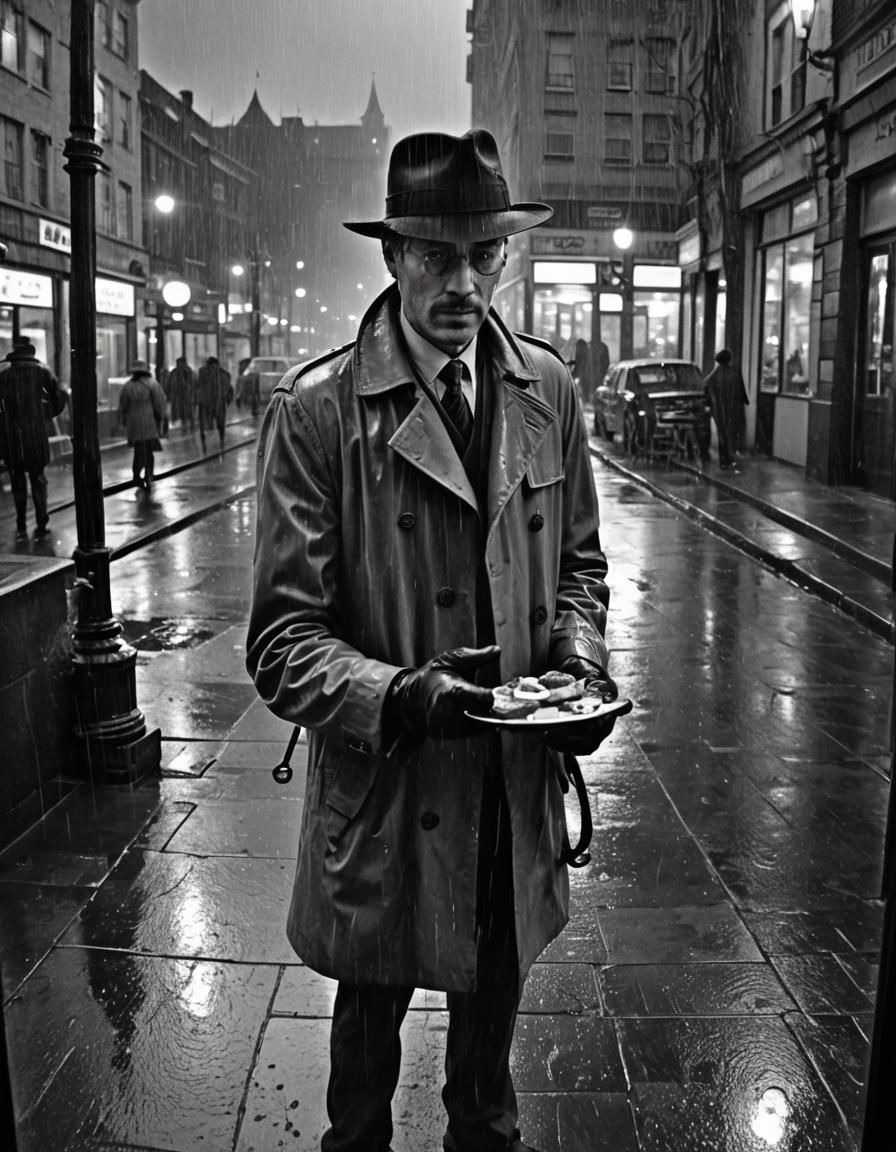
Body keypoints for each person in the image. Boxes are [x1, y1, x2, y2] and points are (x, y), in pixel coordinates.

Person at [246, 129, 621, 1152]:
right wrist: (398, 696)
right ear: (392, 254)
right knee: (360, 1104)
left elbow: (580, 568)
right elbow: (282, 640)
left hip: (506, 798)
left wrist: (579, 670)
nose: (463, 282)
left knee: (487, 1107)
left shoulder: (548, 390)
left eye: (483, 256)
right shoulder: (317, 410)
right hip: (386, 801)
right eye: (435, 255)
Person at [0, 341, 66, 539]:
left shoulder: (3, 377)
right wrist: (46, 415)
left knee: (17, 481)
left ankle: (21, 523)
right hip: (35, 436)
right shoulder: (42, 373)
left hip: (11, 439)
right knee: (38, 479)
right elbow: (58, 397)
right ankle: (41, 519)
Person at [118, 359, 167, 492]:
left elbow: (123, 405)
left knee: (138, 451)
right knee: (149, 451)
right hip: (149, 421)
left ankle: (136, 475)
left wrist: (123, 419)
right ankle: (148, 475)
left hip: (134, 423)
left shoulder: (128, 386)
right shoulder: (152, 384)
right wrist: (161, 417)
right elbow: (160, 401)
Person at [704, 348, 749, 469]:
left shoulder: (715, 374)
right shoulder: (735, 372)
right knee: (732, 433)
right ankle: (731, 456)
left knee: (722, 434)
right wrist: (744, 402)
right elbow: (741, 391)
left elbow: (706, 387)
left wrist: (708, 404)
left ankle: (724, 460)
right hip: (733, 408)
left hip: (719, 409)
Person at [196, 355, 232, 452]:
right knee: (214, 423)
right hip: (212, 403)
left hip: (212, 403)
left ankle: (218, 441)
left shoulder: (203, 373)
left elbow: (197, 387)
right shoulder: (223, 374)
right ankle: (220, 440)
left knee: (211, 423)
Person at [166, 356, 196, 430]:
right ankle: (184, 424)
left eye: (180, 363)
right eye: (178, 363)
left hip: (187, 395)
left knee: (189, 411)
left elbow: (194, 384)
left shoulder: (189, 372)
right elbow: (169, 384)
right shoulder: (174, 372)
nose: (179, 365)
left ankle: (191, 425)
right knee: (181, 411)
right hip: (178, 396)